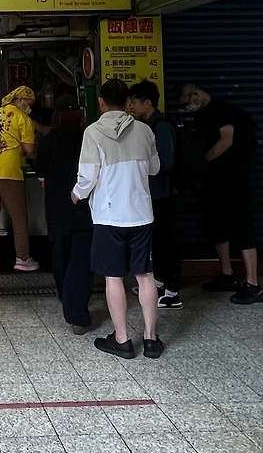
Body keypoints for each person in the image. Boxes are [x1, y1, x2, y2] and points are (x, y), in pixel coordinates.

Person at [73, 78, 162, 358]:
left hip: (109, 216)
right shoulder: (145, 130)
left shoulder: (93, 132)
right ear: (127, 103)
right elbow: (155, 168)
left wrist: (77, 194)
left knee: (113, 277)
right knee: (145, 275)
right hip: (141, 214)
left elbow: (88, 176)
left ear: (100, 102)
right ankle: (150, 339)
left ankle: (122, 339)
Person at [178, 80, 263, 305]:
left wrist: (202, 162)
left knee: (241, 226)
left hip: (233, 178)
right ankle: (227, 275)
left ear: (196, 93)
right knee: (216, 226)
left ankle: (253, 284)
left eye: (187, 102)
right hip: (212, 180)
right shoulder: (200, 116)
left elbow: (226, 141)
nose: (187, 107)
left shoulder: (223, 110)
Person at [34, 96, 95, 331]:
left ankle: (65, 296)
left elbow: (41, 178)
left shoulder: (47, 142)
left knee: (60, 255)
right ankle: (77, 308)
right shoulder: (88, 138)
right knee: (82, 258)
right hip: (84, 207)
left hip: (57, 208)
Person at [126, 80, 181, 308]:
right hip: (153, 194)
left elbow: (166, 162)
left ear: (147, 102)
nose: (131, 106)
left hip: (164, 194)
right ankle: (158, 282)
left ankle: (172, 291)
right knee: (157, 241)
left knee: (166, 241)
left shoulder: (161, 126)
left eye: (134, 102)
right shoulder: (147, 125)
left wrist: (142, 165)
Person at [0, 85, 39, 272]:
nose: (29, 108)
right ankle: (22, 258)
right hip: (9, 171)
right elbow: (29, 149)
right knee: (18, 217)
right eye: (28, 103)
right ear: (19, 100)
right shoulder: (23, 118)